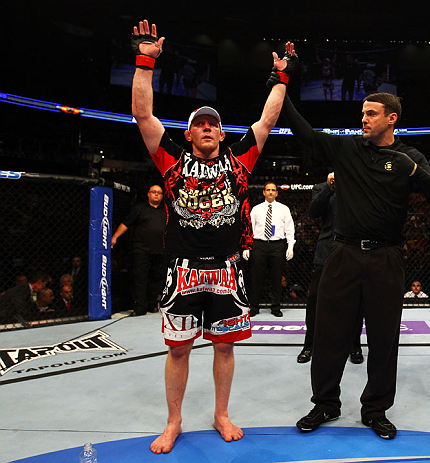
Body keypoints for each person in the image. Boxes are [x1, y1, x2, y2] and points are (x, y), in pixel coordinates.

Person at [129, 19, 297, 453]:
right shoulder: (170, 159)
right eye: (199, 123)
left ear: (221, 132)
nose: (206, 127)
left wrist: (282, 78)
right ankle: (173, 422)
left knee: (224, 349)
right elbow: (143, 115)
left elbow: (268, 119)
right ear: (188, 133)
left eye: (212, 124)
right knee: (179, 351)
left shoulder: (240, 159)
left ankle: (222, 414)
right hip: (182, 270)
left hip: (226, 270)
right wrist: (145, 60)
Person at [282, 91, 430, 439]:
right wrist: (281, 88)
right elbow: (307, 135)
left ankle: (375, 410)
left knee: (384, 339)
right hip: (343, 254)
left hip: (386, 257)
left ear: (392, 119)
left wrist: (413, 169)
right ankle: (325, 403)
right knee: (329, 334)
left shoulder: (408, 156)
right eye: (363, 113)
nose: (364, 119)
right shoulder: (348, 150)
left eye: (371, 113)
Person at [297, 173, 363, 365]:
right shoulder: (321, 187)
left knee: (354, 300)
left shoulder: (358, 184)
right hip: (326, 249)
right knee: (315, 299)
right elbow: (314, 211)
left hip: (353, 249)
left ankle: (354, 346)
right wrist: (328, 186)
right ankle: (309, 345)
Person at [111, 184, 167, 316]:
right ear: (148, 194)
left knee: (158, 278)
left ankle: (152, 304)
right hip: (142, 249)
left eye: (159, 192)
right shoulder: (139, 209)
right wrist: (115, 236)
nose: (156, 194)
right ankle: (140, 306)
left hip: (161, 250)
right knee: (140, 278)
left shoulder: (166, 210)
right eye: (153, 192)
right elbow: (126, 223)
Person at [245, 181, 295, 317]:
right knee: (256, 277)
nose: (271, 192)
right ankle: (254, 306)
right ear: (264, 192)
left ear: (277, 193)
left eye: (273, 190)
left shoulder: (283, 209)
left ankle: (275, 307)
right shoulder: (256, 209)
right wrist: (247, 246)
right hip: (259, 244)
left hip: (277, 245)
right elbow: (250, 229)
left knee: (276, 277)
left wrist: (290, 245)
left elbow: (290, 228)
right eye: (268, 190)